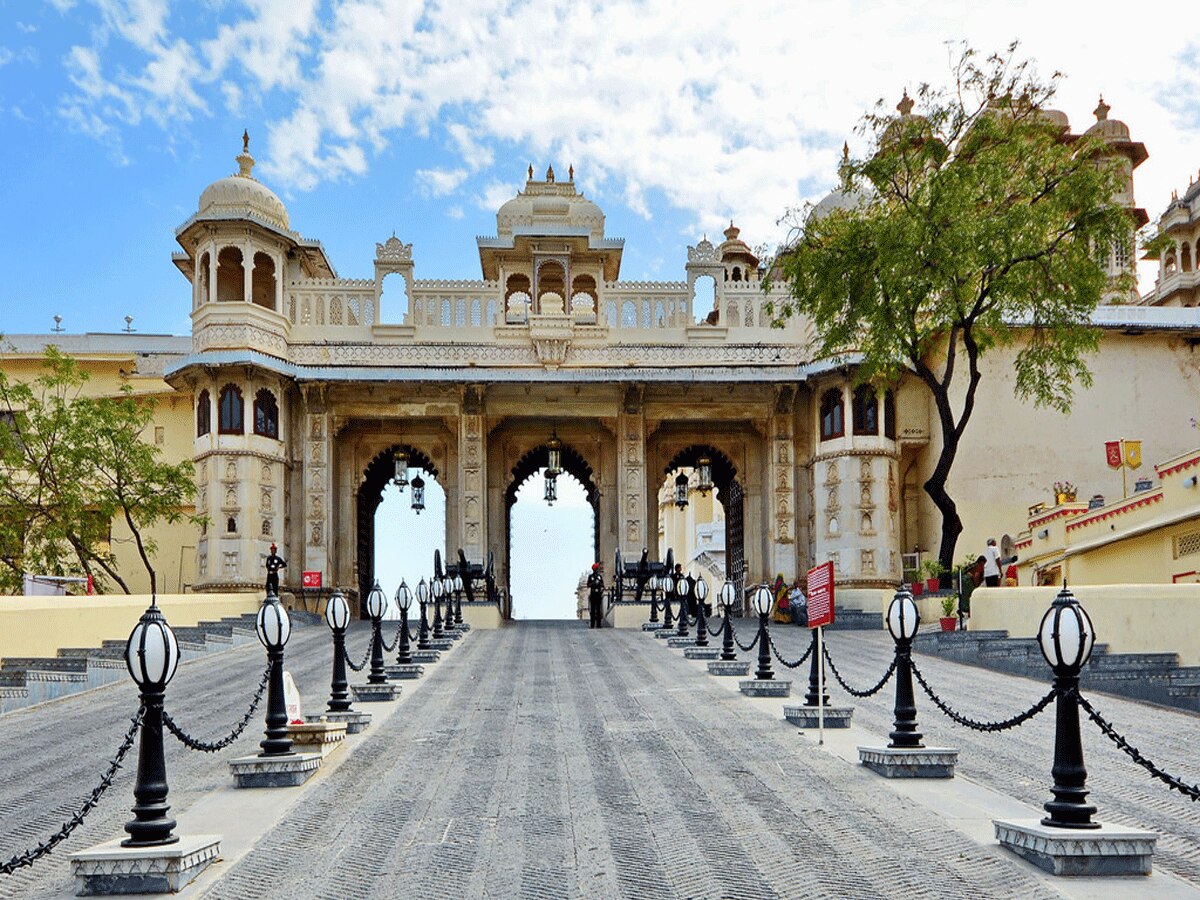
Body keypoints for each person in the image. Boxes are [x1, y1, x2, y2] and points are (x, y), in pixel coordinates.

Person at [587, 562, 605, 629]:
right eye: (596, 569)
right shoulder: (590, 576)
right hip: (593, 593)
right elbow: (588, 585)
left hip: (598, 594)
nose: (597, 570)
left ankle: (598, 624)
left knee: (598, 609)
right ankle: (592, 624)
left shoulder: (599, 577)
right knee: (593, 610)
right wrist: (593, 583)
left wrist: (599, 583)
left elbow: (603, 585)